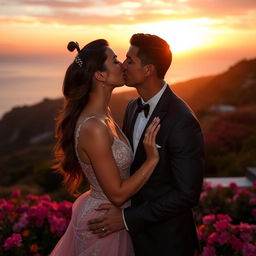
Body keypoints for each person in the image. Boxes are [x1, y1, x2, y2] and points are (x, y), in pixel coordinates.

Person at [88, 33, 205, 256]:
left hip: (167, 243)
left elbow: (187, 194)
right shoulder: (133, 107)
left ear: (148, 69)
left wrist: (126, 218)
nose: (123, 65)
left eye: (130, 61)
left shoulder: (182, 121)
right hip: (133, 239)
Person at [50, 39, 161, 256]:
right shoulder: (94, 127)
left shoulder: (105, 114)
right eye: (115, 60)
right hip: (103, 223)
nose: (122, 65)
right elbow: (118, 195)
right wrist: (152, 160)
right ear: (100, 75)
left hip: (114, 217)